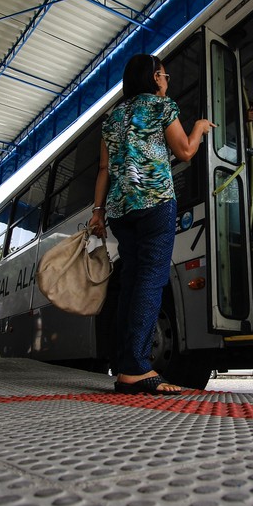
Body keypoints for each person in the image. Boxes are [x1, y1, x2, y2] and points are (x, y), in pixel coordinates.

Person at [88, 53, 215, 395]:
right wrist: (200, 128)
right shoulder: (162, 107)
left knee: (130, 283)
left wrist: (98, 212)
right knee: (150, 281)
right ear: (155, 78)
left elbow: (103, 170)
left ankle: (124, 365)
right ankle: (137, 369)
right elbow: (186, 151)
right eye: (165, 75)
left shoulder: (111, 118)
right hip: (155, 202)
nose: (168, 80)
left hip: (119, 210)